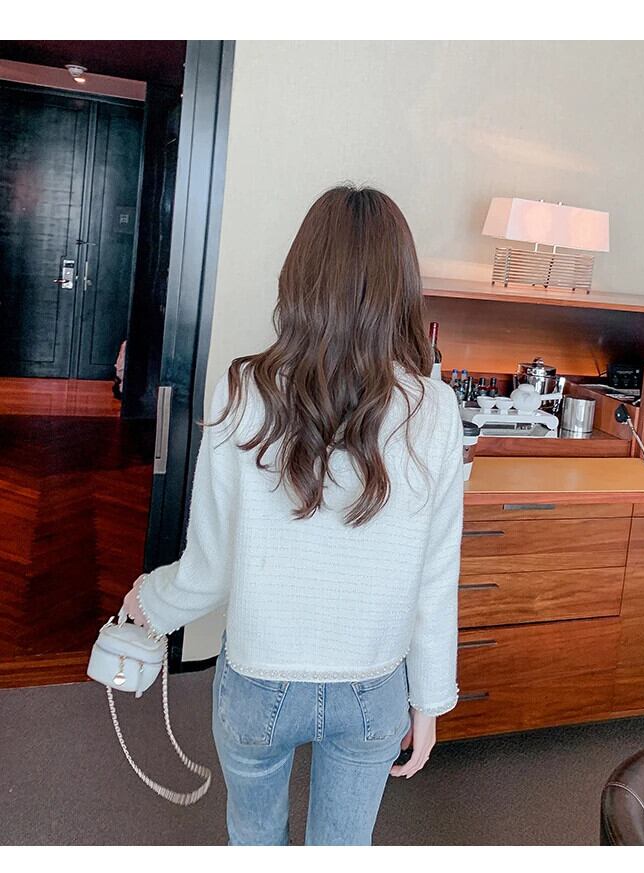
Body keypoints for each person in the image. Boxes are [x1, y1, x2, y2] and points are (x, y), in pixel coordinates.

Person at [122, 184, 464, 846]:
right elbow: (435, 577)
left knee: (255, 843)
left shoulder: (242, 388)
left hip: (259, 680)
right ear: (402, 288)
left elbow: (210, 567)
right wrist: (428, 701)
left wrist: (153, 601)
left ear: (301, 276)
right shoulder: (436, 408)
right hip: (373, 686)